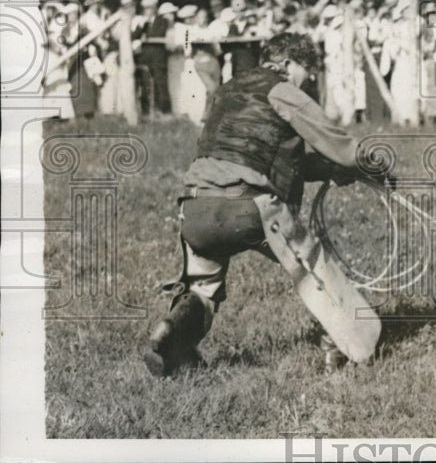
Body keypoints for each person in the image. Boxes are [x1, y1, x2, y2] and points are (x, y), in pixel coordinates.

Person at [144, 33, 394, 377]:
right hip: (249, 209)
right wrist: (373, 163)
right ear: (289, 63)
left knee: (203, 288)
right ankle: (346, 349)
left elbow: (260, 157)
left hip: (195, 208)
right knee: (315, 269)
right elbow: (339, 144)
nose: (304, 84)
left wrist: (332, 172)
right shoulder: (283, 89)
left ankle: (170, 333)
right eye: (305, 74)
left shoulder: (229, 89)